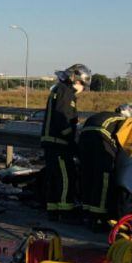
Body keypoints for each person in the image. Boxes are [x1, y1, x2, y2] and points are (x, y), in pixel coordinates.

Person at [41, 64, 91, 221]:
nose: (82, 88)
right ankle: (65, 212)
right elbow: (63, 118)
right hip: (59, 143)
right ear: (75, 79)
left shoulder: (59, 90)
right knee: (66, 177)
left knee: (54, 178)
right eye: (82, 84)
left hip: (53, 142)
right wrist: (71, 139)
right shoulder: (66, 92)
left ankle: (53, 211)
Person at [78, 103, 132, 228]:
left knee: (88, 175)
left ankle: (86, 213)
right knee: (104, 177)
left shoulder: (106, 115)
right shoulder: (123, 120)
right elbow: (128, 144)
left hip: (84, 138)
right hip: (100, 139)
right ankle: (98, 217)